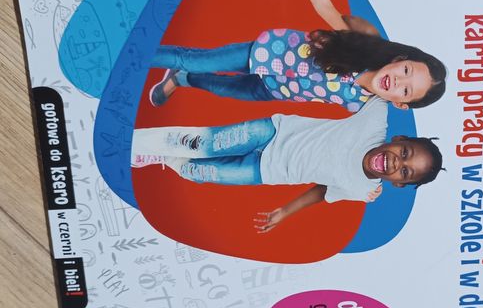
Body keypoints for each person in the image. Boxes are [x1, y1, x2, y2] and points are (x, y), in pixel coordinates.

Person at [148, 0, 446, 113]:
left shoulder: (365, 107)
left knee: (217, 86)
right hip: (267, 54)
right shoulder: (364, 48)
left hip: (272, 90)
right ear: (399, 60)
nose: (398, 81)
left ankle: (180, 79)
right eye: (406, 70)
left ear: (400, 104)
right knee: (196, 60)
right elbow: (326, 9)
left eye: (405, 90)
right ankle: (136, 55)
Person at [132, 98, 443, 232]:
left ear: (399, 183)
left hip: (267, 172)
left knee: (197, 171)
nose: (396, 162)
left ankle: (164, 157)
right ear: (399, 138)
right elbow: (385, 80)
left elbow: (323, 192)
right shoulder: (374, 120)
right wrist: (407, 96)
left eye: (405, 171)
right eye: (404, 151)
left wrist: (285, 211)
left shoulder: (362, 190)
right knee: (203, 144)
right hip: (272, 132)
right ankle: (134, 142)